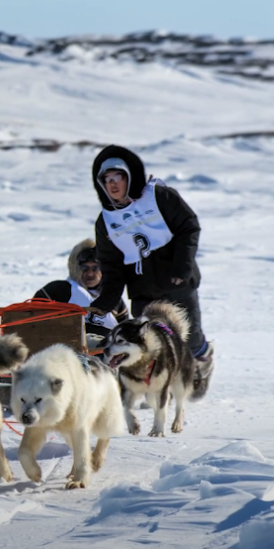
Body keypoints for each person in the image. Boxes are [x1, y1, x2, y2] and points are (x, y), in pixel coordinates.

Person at [86, 145, 214, 399]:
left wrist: (181, 266)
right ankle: (157, 388)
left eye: (117, 178)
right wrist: (106, 300)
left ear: (129, 178)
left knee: (188, 340)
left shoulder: (160, 197)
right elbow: (112, 265)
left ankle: (204, 357)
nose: (112, 185)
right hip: (143, 291)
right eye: (106, 180)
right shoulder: (106, 221)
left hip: (178, 282)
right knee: (148, 344)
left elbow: (188, 227)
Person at [34, 238, 128, 344]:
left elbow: (126, 335)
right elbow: (31, 321)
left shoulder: (113, 299)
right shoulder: (56, 291)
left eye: (95, 268)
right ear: (75, 268)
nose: (90, 274)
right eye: (84, 268)